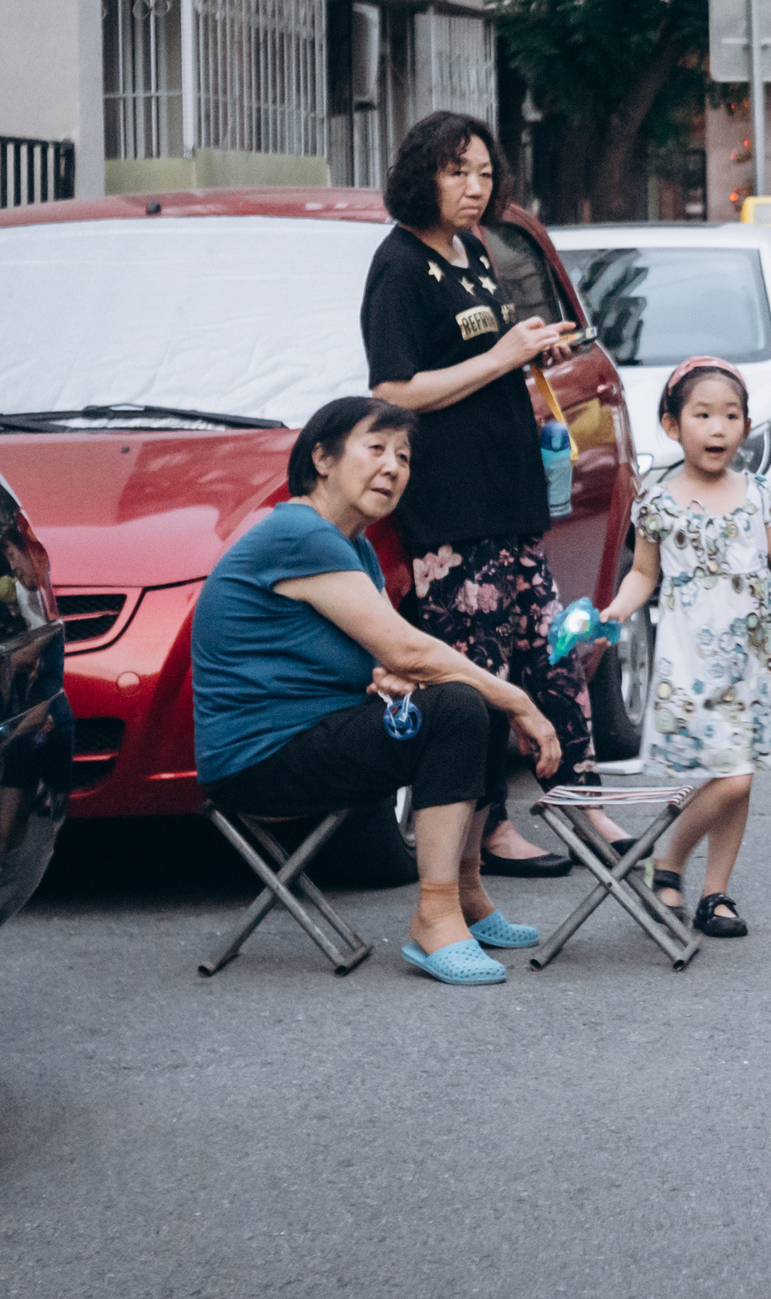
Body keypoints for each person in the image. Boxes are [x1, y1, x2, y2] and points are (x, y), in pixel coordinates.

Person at [191, 397, 568, 987]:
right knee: (464, 702)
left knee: (471, 697)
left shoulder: (353, 546)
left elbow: (386, 658)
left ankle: (467, 892)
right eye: (376, 449)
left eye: (404, 456)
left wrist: (395, 675)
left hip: (315, 732)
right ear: (322, 458)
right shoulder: (298, 533)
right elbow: (405, 648)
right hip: (259, 759)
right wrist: (519, 700)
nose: (393, 467)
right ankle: (434, 917)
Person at [360, 109, 626, 876]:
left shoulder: (472, 250)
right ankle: (486, 835)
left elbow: (485, 353)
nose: (474, 189)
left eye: (483, 173)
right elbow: (392, 387)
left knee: (553, 655)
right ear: (421, 176)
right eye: (456, 172)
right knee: (477, 678)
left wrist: (532, 348)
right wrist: (501, 355)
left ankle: (586, 804)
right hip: (451, 510)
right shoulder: (400, 265)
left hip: (509, 500)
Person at [599, 358, 771, 938]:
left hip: (758, 656)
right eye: (703, 415)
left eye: (731, 416)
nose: (718, 428)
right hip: (694, 663)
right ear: (672, 425)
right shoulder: (656, 502)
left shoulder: (758, 494)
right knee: (732, 778)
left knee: (739, 775)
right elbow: (642, 576)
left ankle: (715, 892)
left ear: (745, 427)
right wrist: (617, 610)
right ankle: (668, 861)